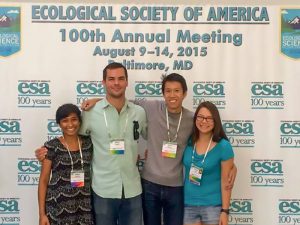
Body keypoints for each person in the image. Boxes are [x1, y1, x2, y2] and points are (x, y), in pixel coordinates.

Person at [82, 73, 237, 225]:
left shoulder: (192, 119)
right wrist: (97, 101)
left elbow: (211, 144)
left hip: (176, 187)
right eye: (168, 91)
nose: (172, 95)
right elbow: (121, 101)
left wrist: (232, 167)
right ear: (163, 93)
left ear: (185, 93)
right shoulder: (151, 107)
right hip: (150, 184)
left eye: (177, 91)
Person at [37, 62, 147, 225]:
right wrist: (46, 153)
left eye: (120, 79)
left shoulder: (139, 112)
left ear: (127, 82)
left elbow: (152, 135)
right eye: (111, 79)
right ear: (104, 82)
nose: (116, 83)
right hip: (103, 190)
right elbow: (72, 138)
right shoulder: (90, 113)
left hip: (133, 189)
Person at [38, 103, 94, 225]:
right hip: (58, 207)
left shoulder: (89, 143)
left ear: (80, 121)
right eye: (65, 121)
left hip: (84, 206)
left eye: (74, 119)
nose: (70, 125)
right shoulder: (51, 146)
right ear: (59, 124)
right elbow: (43, 180)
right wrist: (42, 214)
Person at [183, 101, 234, 225]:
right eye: (200, 117)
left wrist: (225, 211)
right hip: (187, 205)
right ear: (195, 119)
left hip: (213, 207)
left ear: (215, 121)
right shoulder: (188, 142)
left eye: (209, 118)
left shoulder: (224, 146)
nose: (204, 121)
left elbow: (226, 182)